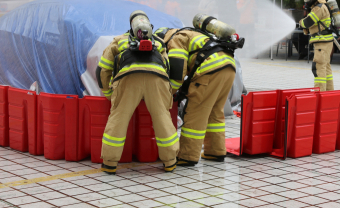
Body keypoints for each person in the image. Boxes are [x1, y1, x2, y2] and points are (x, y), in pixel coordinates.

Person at [96, 11, 178, 174]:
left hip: (128, 79)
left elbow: (103, 69)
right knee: (162, 117)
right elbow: (168, 67)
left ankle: (110, 163)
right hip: (157, 79)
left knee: (118, 118)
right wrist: (166, 91)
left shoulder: (119, 40)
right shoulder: (159, 42)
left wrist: (108, 93)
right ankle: (170, 161)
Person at [159, 15, 238, 166]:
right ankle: (216, 151)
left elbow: (177, 72)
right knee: (215, 111)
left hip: (210, 69)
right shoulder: (195, 34)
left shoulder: (175, 39)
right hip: (229, 66)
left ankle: (187, 156)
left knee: (196, 112)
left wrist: (169, 92)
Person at [299, 0, 334, 91]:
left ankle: (320, 95)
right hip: (325, 42)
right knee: (326, 68)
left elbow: (307, 22)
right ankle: (329, 94)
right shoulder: (322, 6)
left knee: (319, 68)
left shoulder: (318, 8)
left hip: (322, 43)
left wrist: (301, 22)